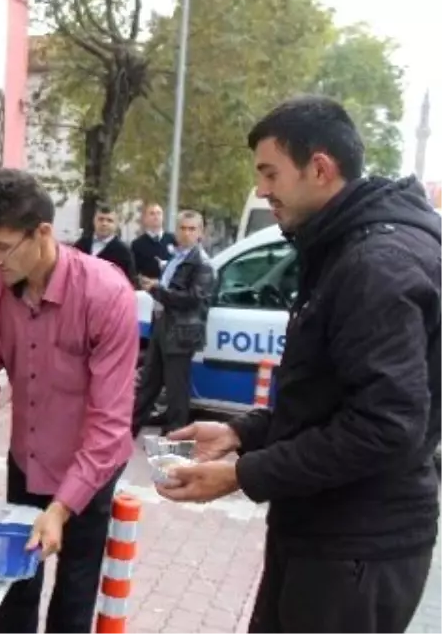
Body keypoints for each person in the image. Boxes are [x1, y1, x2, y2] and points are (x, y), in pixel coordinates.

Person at [158, 96, 442, 634]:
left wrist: (243, 473)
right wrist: (241, 433)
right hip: (326, 533)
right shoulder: (343, 246)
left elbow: (385, 427)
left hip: (357, 546)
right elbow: (328, 399)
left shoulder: (376, 264)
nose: (262, 190)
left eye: (270, 173)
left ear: (319, 168)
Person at [0, 169, 137, 634]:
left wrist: (62, 509)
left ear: (42, 233)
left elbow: (109, 423)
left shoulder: (106, 294)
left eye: (2, 247)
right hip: (28, 457)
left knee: (74, 596)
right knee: (14, 587)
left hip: (91, 467)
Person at [131, 210, 214, 436]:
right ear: (175, 231)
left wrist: (157, 290)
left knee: (177, 389)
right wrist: (157, 285)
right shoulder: (178, 258)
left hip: (181, 334)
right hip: (162, 327)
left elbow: (192, 299)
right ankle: (127, 430)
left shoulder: (202, 263)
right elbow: (174, 288)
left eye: (192, 229)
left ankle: (174, 439)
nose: (186, 233)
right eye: (182, 228)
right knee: (148, 382)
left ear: (201, 233)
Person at [73, 204, 137, 286]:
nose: (104, 224)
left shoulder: (124, 252)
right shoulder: (81, 245)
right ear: (94, 221)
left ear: (116, 224)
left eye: (109, 220)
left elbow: (130, 283)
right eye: (101, 219)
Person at [130, 202, 176, 280]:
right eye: (152, 213)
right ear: (145, 219)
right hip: (147, 288)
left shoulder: (174, 239)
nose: (156, 216)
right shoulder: (137, 244)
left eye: (159, 213)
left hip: (171, 288)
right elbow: (134, 271)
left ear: (163, 217)